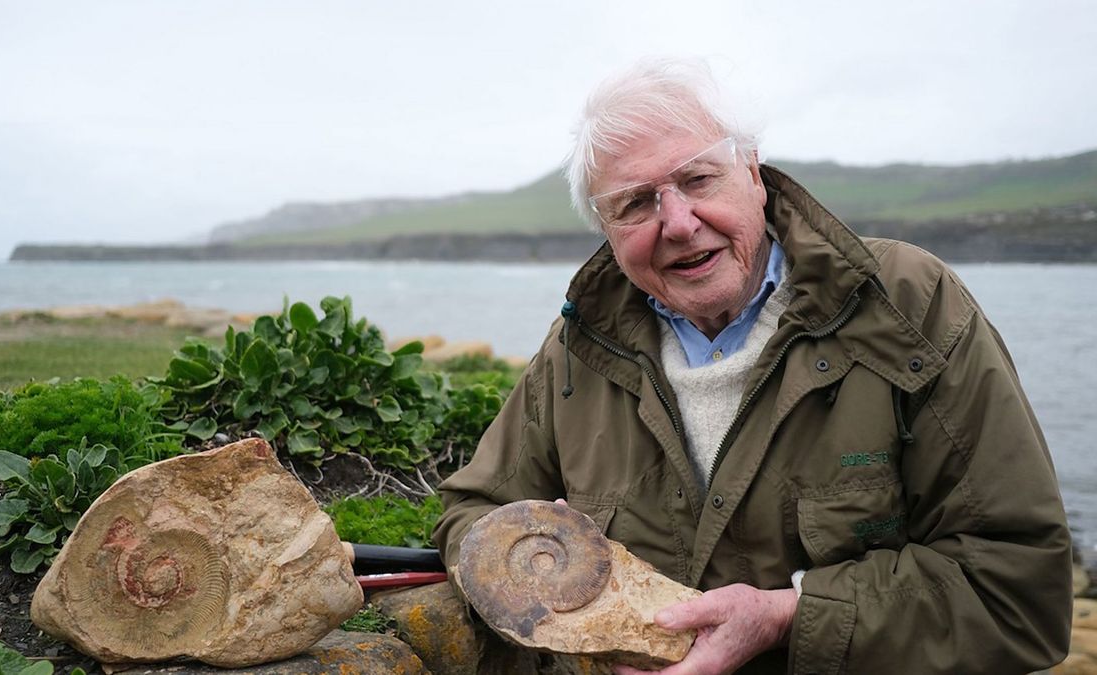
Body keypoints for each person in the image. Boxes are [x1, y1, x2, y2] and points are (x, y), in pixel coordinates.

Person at [432, 58, 1074, 674]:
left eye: (698, 179)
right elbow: (474, 513)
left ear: (754, 174)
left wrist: (787, 616)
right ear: (605, 226)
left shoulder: (909, 303)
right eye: (634, 204)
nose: (679, 223)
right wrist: (563, 604)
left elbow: (1017, 592)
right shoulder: (581, 346)